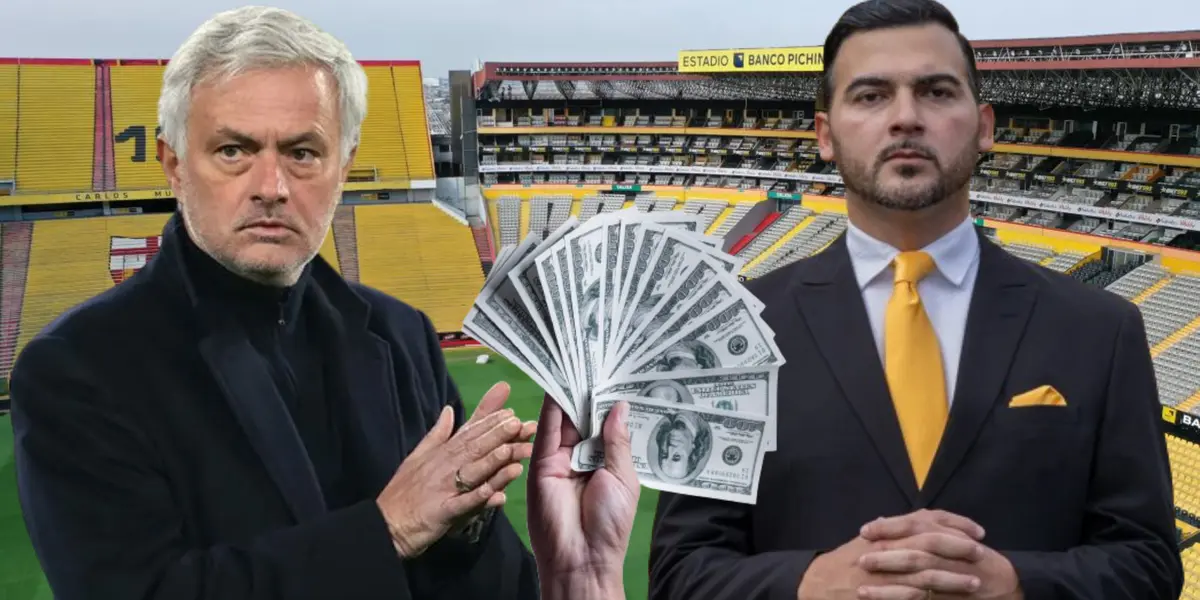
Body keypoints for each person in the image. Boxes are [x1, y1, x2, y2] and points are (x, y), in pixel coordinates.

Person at [648, 1, 1183, 599]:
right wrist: (804, 584)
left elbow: (1150, 566)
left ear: (984, 126)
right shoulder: (725, 332)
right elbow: (679, 573)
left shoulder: (1100, 330)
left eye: (935, 92)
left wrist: (1020, 584)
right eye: (871, 96)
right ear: (825, 134)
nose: (905, 118)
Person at [10, 6, 545, 600]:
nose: (272, 186)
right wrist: (389, 529)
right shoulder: (77, 370)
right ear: (175, 167)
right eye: (234, 151)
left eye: (302, 152)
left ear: (342, 169)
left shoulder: (402, 337)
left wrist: (466, 526)